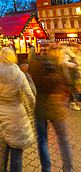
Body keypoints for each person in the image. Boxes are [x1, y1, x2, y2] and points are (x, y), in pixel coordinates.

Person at [0, 47, 35, 172]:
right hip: (17, 117)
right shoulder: (18, 74)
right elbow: (30, 97)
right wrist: (31, 110)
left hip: (2, 115)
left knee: (3, 145)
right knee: (16, 151)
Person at [29, 43, 73, 172]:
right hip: (56, 109)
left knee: (42, 140)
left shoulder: (35, 65)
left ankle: (46, 169)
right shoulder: (57, 65)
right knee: (63, 140)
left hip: (40, 109)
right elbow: (67, 85)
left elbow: (31, 87)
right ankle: (68, 168)